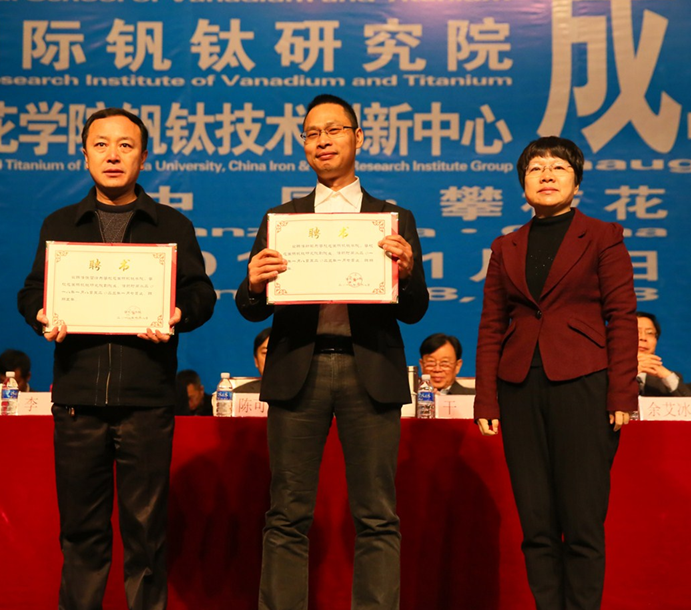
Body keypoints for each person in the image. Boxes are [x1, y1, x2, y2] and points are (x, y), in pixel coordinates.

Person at [17, 107, 216, 610]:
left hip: (146, 402)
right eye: (101, 144)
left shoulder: (171, 224)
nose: (112, 155)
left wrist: (176, 313)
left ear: (143, 157)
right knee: (81, 533)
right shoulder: (61, 225)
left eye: (125, 145)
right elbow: (32, 291)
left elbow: (202, 295)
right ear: (84, 154)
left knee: (147, 536)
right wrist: (43, 313)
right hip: (78, 402)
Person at [235, 93, 428, 610]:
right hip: (300, 367)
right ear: (303, 144)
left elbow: (415, 310)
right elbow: (250, 308)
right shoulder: (282, 219)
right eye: (312, 133)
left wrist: (407, 273)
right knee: (287, 514)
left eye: (335, 130)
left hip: (371, 370)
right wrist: (253, 283)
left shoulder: (392, 218)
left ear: (358, 138)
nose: (323, 141)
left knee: (377, 515)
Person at [474, 136, 638, 610]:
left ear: (576, 181)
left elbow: (622, 316)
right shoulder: (506, 245)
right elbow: (491, 325)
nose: (546, 175)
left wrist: (622, 393)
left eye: (559, 167)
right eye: (535, 168)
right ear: (523, 184)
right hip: (519, 388)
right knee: (537, 522)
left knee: (582, 521)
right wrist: (486, 398)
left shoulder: (603, 236)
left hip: (584, 383)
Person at [636, 311, 691, 397]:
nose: (643, 338)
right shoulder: (612, 376)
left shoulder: (667, 382)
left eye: (650, 333)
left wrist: (667, 376)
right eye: (636, 331)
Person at [234, 327, 270, 394]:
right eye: (265, 353)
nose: (272, 358)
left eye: (278, 352)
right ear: (256, 360)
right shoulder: (239, 394)